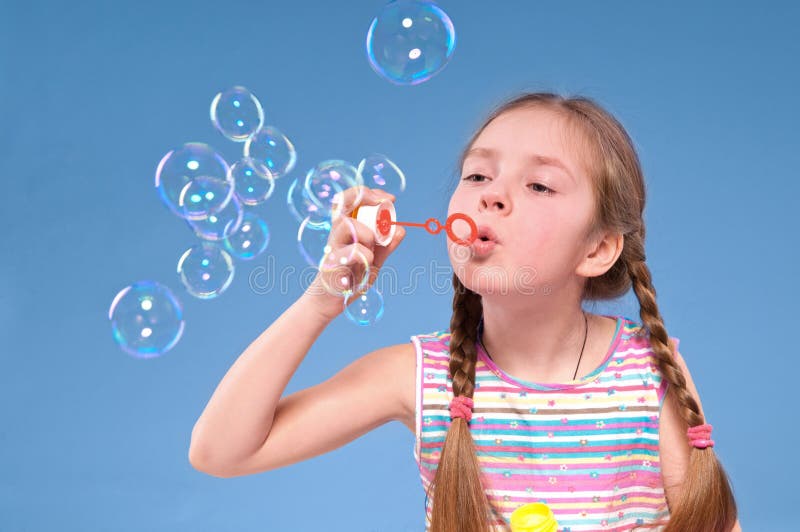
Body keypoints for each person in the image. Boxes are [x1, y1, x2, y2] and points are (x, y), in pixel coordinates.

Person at [188, 92, 741, 532]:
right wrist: (322, 300)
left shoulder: (647, 372)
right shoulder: (421, 376)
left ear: (597, 249)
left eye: (539, 184)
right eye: (478, 175)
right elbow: (222, 451)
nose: (491, 195)